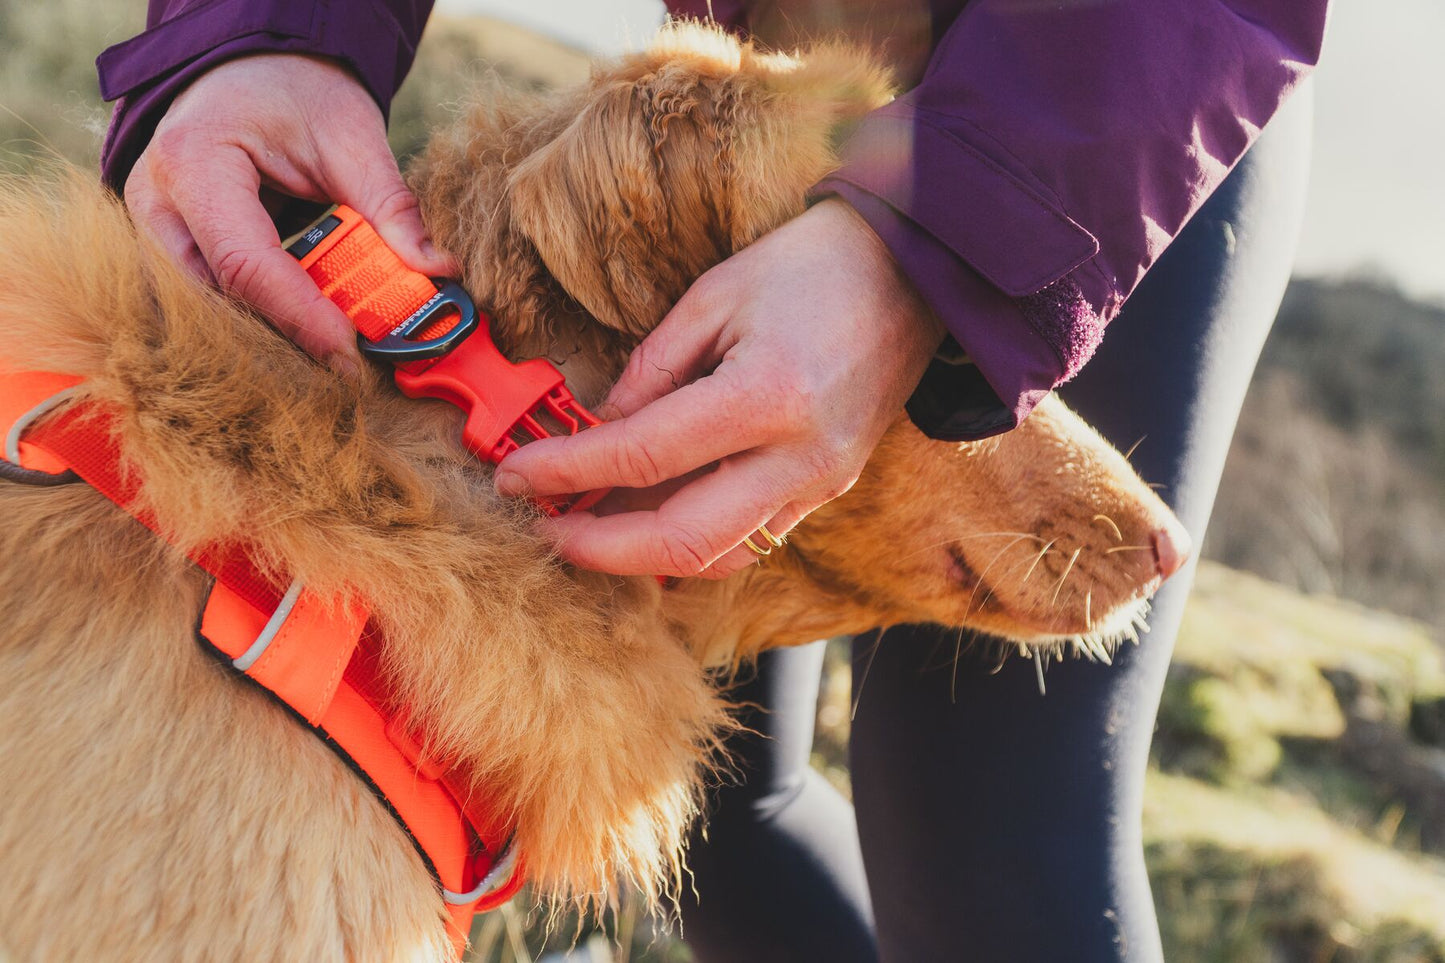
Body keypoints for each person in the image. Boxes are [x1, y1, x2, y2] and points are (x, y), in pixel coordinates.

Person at [96, 1, 1328, 959]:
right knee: (730, 823)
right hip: (782, 79)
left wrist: (932, 246)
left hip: (1102, 113)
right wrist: (265, 34)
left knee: (989, 845)